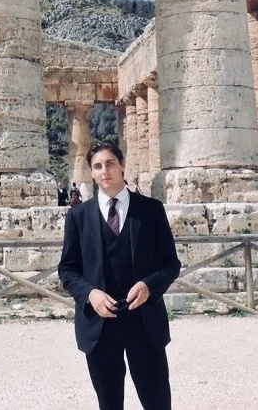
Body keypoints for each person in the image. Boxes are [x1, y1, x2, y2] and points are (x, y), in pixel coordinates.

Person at [58, 142, 181, 410]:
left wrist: (149, 285)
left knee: (158, 403)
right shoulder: (78, 217)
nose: (105, 171)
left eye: (110, 163)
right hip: (99, 326)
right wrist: (90, 294)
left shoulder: (151, 210)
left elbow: (170, 264)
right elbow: (67, 269)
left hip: (144, 322)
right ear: (91, 172)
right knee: (109, 405)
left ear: (122, 165)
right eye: (98, 166)